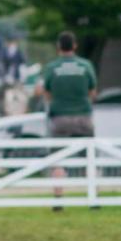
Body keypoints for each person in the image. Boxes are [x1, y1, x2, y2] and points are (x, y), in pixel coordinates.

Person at [35, 31, 97, 211]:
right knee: (90, 159)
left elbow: (46, 93)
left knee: (58, 159)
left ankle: (58, 199)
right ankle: (93, 198)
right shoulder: (86, 65)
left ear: (58, 47)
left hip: (60, 118)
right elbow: (92, 92)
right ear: (75, 46)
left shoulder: (52, 68)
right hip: (83, 117)